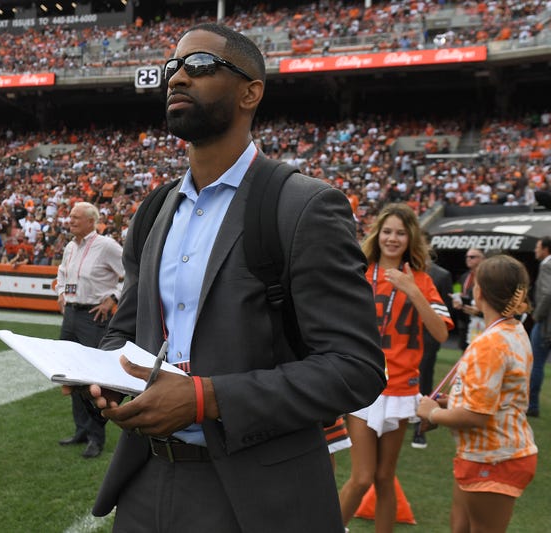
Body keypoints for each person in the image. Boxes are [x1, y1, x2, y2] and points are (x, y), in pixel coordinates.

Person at [83, 24, 385, 531]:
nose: (177, 77)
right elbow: (127, 327)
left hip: (260, 497)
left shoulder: (304, 205)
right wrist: (105, 376)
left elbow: (355, 367)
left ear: (251, 92)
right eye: (172, 67)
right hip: (145, 482)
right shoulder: (155, 208)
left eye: (198, 65)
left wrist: (207, 399)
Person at [338, 203, 453, 532]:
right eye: (387, 231)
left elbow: (441, 332)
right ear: (377, 234)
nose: (392, 238)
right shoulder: (360, 273)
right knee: (361, 478)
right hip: (363, 384)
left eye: (400, 233)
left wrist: (412, 290)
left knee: (385, 477)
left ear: (410, 238)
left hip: (401, 387)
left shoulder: (421, 280)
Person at [417, 254, 537, 533]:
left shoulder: (491, 344)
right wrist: (452, 402)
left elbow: (476, 415)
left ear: (478, 291)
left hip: (495, 457)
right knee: (460, 526)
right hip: (491, 453)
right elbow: (495, 396)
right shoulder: (514, 330)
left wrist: (432, 412)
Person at [56, 201, 124, 459]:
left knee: (93, 378)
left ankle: (96, 437)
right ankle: (81, 430)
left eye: (75, 217)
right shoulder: (70, 246)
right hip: (72, 314)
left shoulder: (106, 246)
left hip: (93, 316)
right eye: (70, 216)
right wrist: (61, 292)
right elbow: (62, 274)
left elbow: (131, 271)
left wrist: (113, 299)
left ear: (90, 221)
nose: (70, 221)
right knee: (71, 375)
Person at [413, 234, 455, 449]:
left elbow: (444, 310)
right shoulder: (399, 270)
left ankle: (420, 427)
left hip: (428, 338)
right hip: (402, 339)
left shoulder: (441, 275)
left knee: (425, 380)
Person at [528, 235, 551, 417]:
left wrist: (537, 316)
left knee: (535, 363)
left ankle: (532, 405)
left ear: (545, 249)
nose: (535, 251)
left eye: (537, 247)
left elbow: (547, 293)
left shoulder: (546, 265)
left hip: (545, 323)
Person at [454, 248, 485, 350]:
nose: (468, 259)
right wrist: (456, 299)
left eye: (472, 257)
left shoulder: (487, 277)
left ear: (483, 259)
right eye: (467, 257)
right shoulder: (464, 276)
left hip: (482, 321)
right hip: (464, 320)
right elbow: (456, 289)